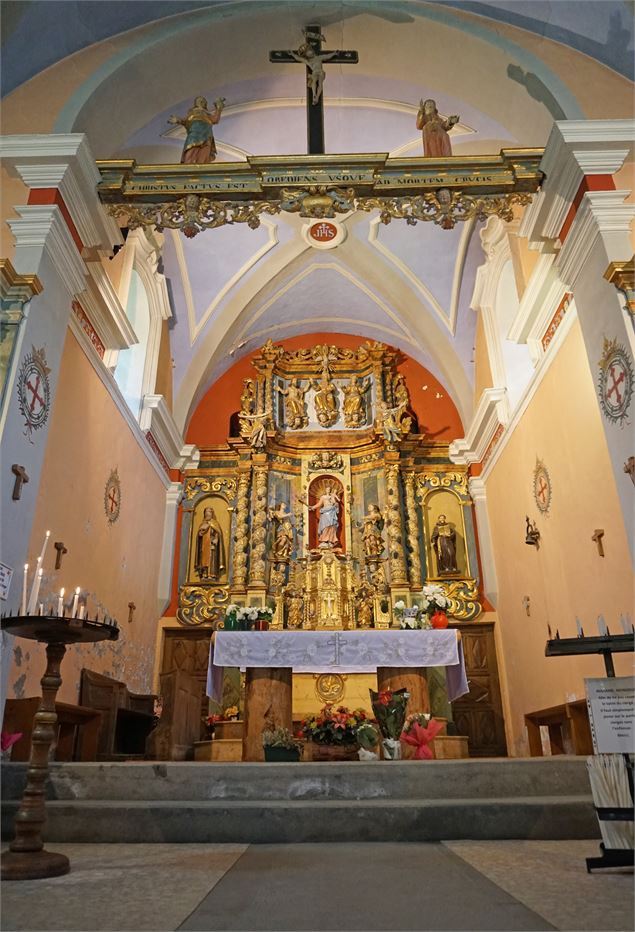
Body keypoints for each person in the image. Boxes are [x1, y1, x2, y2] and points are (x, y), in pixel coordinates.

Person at [168, 96, 226, 164]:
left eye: (203, 101)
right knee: (190, 154)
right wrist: (177, 120)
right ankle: (188, 168)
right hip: (194, 135)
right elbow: (185, 121)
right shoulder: (192, 113)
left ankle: (202, 168)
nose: (201, 102)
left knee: (204, 156)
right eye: (199, 100)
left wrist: (219, 107)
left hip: (206, 135)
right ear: (196, 103)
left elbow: (215, 119)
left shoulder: (207, 114)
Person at [305, 482, 341, 548]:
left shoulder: (332, 497)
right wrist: (312, 507)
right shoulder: (323, 497)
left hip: (332, 513)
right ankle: (324, 540)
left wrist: (335, 503)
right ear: (325, 490)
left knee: (332, 526)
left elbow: (336, 503)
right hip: (325, 513)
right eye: (327, 489)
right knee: (325, 527)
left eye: (329, 489)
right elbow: (319, 504)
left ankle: (331, 540)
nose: (328, 490)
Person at [195, 506, 225, 580]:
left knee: (212, 559)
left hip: (211, 544)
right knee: (203, 560)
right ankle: (204, 574)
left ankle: (211, 574)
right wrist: (199, 534)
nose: (208, 513)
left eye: (209, 512)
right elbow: (199, 535)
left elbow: (218, 533)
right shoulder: (202, 524)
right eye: (206, 512)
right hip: (204, 545)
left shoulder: (215, 523)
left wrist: (216, 539)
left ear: (212, 514)